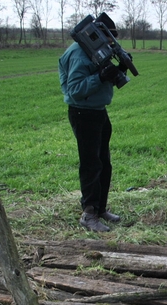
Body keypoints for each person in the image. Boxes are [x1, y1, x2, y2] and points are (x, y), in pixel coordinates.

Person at [59, 13, 124, 233]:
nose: (109, 43)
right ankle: (88, 214)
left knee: (104, 163)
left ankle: (100, 209)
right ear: (97, 33)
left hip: (98, 112)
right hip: (83, 114)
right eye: (108, 38)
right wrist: (101, 77)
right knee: (91, 164)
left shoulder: (94, 51)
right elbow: (75, 91)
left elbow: (101, 81)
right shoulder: (79, 54)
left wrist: (117, 72)